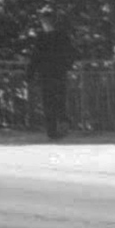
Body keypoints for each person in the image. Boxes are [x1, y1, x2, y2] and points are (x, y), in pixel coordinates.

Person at [28, 11, 76, 139]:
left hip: (49, 74)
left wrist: (30, 74)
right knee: (57, 101)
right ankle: (58, 126)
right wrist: (66, 67)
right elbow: (71, 54)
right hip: (56, 74)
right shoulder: (60, 37)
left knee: (51, 102)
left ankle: (54, 130)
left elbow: (35, 57)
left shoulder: (44, 38)